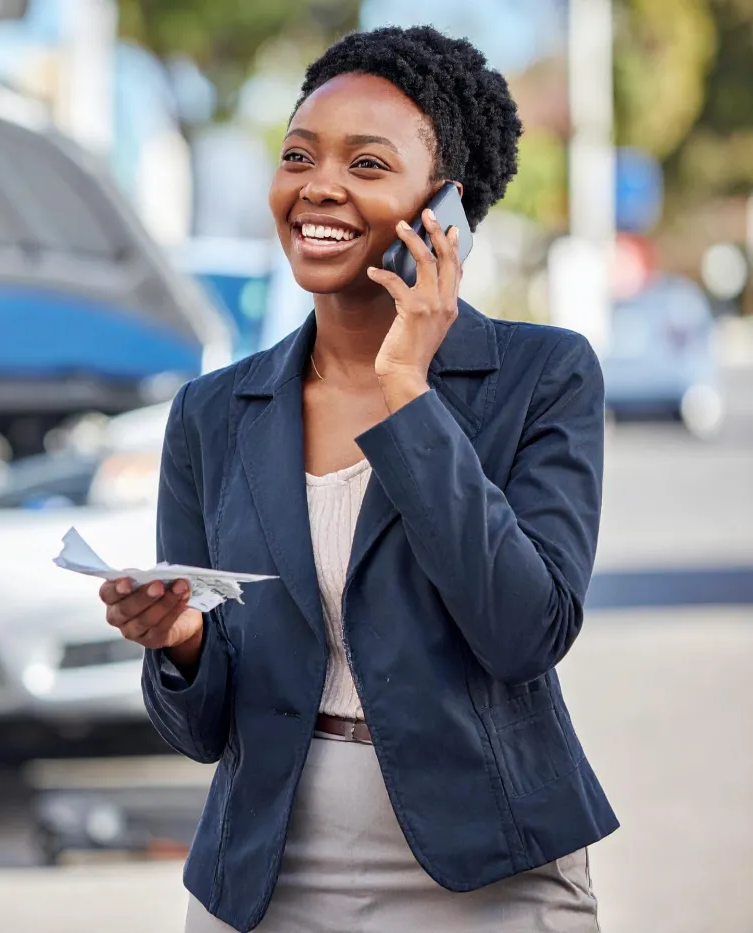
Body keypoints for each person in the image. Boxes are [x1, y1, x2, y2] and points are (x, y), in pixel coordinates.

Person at [97, 24, 619, 933]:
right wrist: (180, 641)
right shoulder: (214, 413)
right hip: (265, 869)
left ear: (445, 206)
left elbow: (524, 631)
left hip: (485, 866)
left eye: (368, 164)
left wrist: (407, 390)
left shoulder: (544, 375)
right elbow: (200, 728)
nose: (319, 186)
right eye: (299, 155)